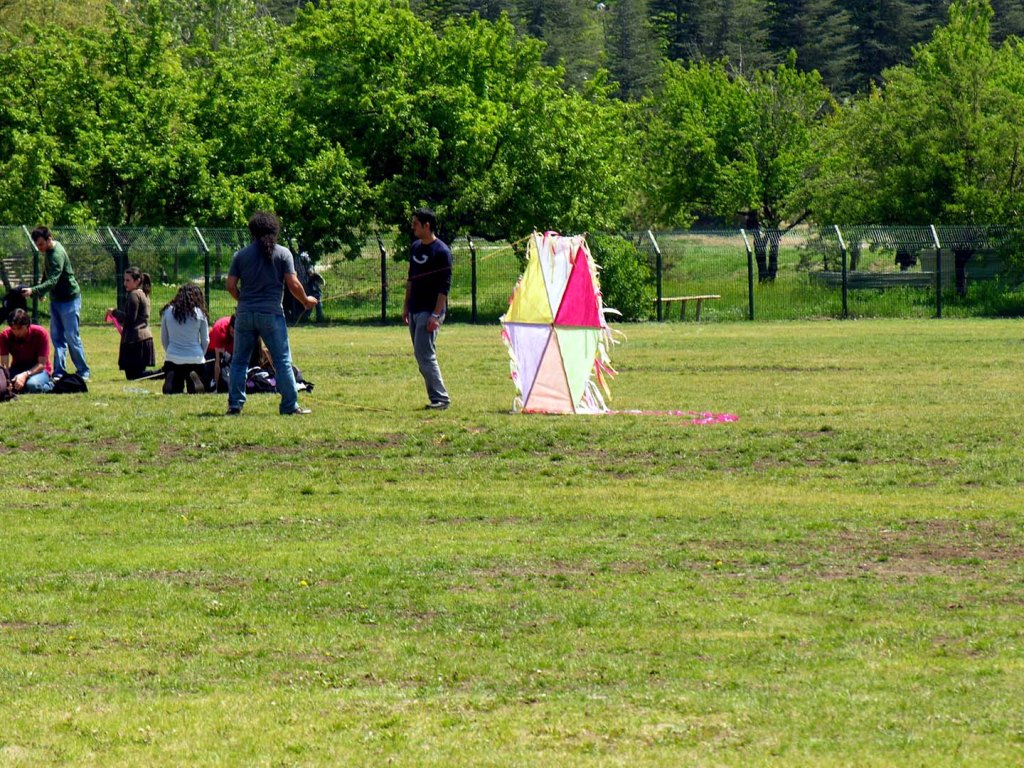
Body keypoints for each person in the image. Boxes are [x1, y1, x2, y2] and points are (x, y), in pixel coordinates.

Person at [226, 211, 317, 416]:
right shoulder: (283, 253)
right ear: (274, 230)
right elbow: (293, 283)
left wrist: (243, 301)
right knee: (282, 360)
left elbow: (230, 285)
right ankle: (289, 406)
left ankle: (235, 405)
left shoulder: (241, 255)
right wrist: (306, 301)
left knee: (239, 361)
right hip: (272, 314)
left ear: (252, 232)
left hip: (245, 314)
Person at [22, 226, 90, 380]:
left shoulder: (57, 254)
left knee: (72, 337)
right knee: (57, 337)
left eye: (41, 244)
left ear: (49, 239)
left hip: (70, 300)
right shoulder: (48, 251)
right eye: (37, 245)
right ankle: (59, 372)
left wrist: (34, 290)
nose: (39, 248)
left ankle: (83, 371)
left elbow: (53, 280)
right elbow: (47, 273)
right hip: (56, 300)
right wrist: (42, 291)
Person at [402, 207, 452, 410]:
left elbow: (444, 288)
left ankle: (441, 399)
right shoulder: (415, 247)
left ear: (427, 225)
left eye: (416, 224)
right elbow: (411, 279)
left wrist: (436, 315)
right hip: (415, 308)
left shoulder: (442, 252)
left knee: (425, 354)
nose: (412, 227)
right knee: (420, 354)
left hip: (430, 310)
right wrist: (406, 306)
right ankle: (435, 398)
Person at [160, 283, 210, 394]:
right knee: (195, 390)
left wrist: (170, 351)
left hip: (173, 357)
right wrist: (201, 354)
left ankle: (172, 379)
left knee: (176, 387)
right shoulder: (200, 313)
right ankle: (195, 381)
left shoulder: (167, 312)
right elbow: (205, 340)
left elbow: (164, 338)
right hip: (195, 357)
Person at [108, 267, 156, 380]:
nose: (125, 283)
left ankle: (163, 373)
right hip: (143, 339)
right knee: (134, 375)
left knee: (134, 376)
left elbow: (130, 319)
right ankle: (162, 373)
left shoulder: (134, 295)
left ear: (137, 281)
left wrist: (114, 312)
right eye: (124, 280)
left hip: (136, 340)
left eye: (128, 280)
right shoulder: (143, 293)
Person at [0, 308, 54, 393]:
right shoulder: (5, 335)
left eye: (19, 328)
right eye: (13, 328)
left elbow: (42, 364)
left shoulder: (40, 333)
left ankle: (51, 385)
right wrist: (6, 380)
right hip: (17, 368)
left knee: (32, 385)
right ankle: (22, 387)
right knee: (2, 383)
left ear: (27, 325)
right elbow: (4, 365)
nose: (16, 332)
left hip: (39, 370)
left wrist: (25, 375)